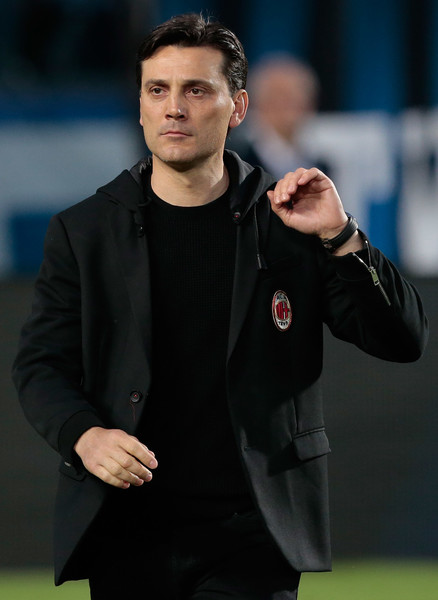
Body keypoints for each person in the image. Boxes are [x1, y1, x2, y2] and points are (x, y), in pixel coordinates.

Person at [12, 13, 427, 600]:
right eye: (158, 90)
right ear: (140, 106)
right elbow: (40, 366)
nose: (174, 108)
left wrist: (341, 236)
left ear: (238, 108)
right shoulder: (85, 231)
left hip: (253, 538)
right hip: (127, 530)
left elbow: (403, 339)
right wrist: (85, 435)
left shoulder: (289, 221)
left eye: (196, 90)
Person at [227, 53, 322, 179]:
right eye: (281, 96)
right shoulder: (236, 164)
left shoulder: (321, 167)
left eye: (298, 96)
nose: (291, 106)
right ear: (258, 103)